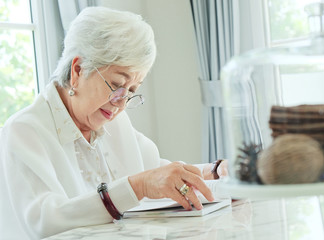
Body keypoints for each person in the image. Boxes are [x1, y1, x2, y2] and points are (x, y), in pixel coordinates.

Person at [0, 6, 228, 239]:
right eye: (116, 85)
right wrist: (137, 187)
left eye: (131, 91)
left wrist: (215, 171)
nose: (121, 103)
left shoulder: (112, 122)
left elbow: (155, 170)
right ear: (78, 70)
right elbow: (45, 221)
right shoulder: (23, 131)